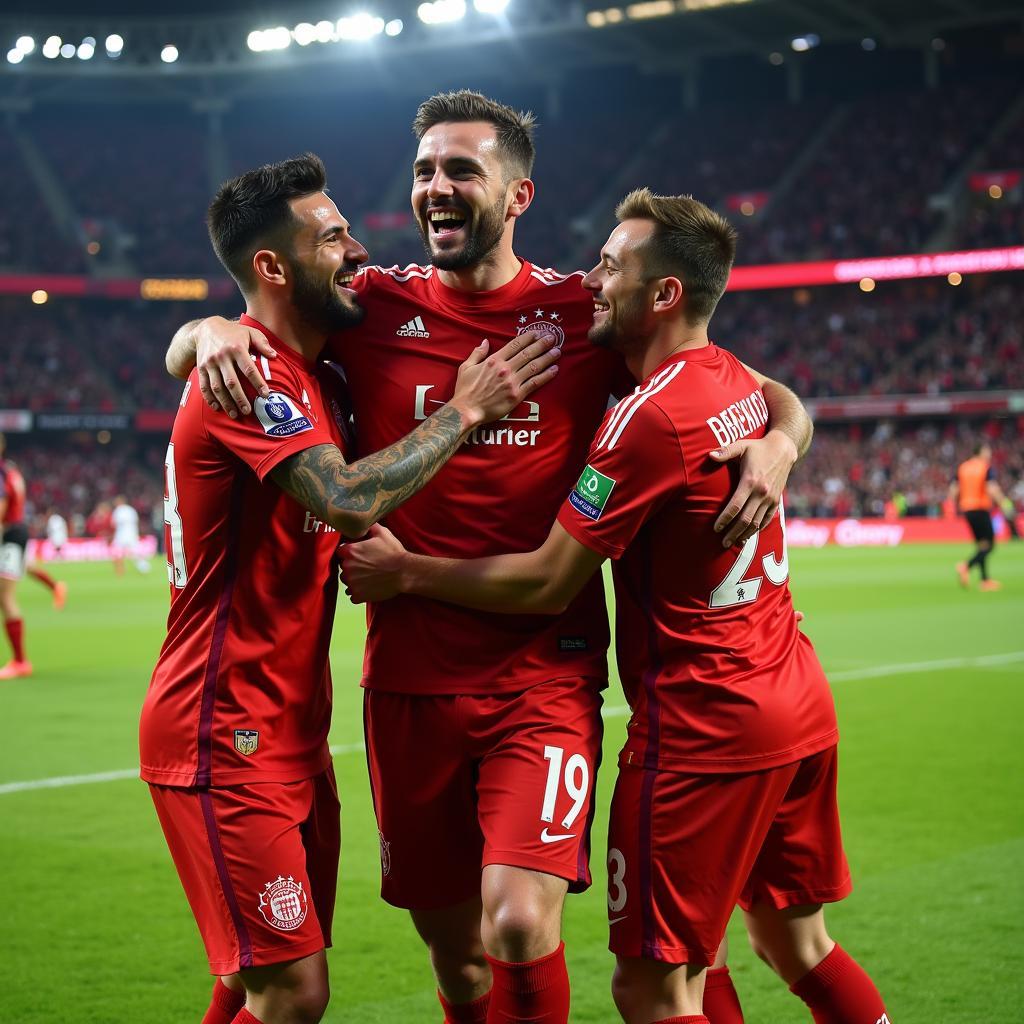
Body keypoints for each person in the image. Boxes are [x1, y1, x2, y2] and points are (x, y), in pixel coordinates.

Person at [166, 92, 812, 1024]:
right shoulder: (374, 307)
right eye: (426, 168)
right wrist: (206, 332)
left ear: (517, 195)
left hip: (541, 679)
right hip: (408, 688)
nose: (436, 186)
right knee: (460, 960)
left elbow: (746, 382)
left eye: (462, 169)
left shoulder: (578, 318)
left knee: (516, 923)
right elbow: (255, 328)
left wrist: (785, 439)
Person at [339, 189, 892, 1024]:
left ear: (663, 294)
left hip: (704, 725)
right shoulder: (729, 375)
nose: (592, 279)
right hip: (795, 695)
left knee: (652, 986)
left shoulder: (646, 418)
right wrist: (783, 437)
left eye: (612, 265)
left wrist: (408, 572)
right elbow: (782, 397)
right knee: (791, 945)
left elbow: (548, 581)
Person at [142, 153, 559, 1024]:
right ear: (273, 266)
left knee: (251, 978)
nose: (358, 248)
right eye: (332, 238)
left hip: (289, 728)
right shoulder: (252, 379)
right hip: (223, 727)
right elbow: (339, 496)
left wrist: (200, 329)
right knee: (292, 992)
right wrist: (466, 410)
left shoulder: (316, 375)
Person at [950, 443, 1009, 591]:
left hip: (967, 509)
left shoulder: (963, 467)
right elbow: (992, 488)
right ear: (980, 452)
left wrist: (952, 505)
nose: (989, 454)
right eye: (987, 451)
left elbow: (954, 490)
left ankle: (985, 580)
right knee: (990, 545)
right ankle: (967, 565)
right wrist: (1004, 503)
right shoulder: (985, 467)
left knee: (982, 545)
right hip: (980, 507)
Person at [0, 433, 33, 679]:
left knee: (6, 596)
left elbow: (2, 506)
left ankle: (20, 661)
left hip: (9, 533)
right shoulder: (9, 469)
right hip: (16, 531)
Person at [111, 495, 152, 574]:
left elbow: (113, 524)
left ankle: (120, 570)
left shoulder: (118, 510)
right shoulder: (131, 510)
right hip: (132, 534)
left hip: (121, 536)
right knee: (136, 552)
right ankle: (144, 567)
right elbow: (137, 521)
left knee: (116, 551)